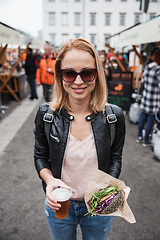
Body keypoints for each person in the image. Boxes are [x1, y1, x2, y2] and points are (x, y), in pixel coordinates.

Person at [34, 38, 126, 240]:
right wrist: (49, 181)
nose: (78, 81)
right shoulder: (46, 115)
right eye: (69, 73)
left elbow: (115, 158)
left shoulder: (114, 116)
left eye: (87, 73)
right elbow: (40, 156)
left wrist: (106, 188)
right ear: (60, 75)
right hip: (59, 204)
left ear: (97, 75)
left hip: (97, 207)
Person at [136, 49, 160, 147]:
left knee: (142, 117)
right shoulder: (158, 69)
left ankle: (139, 137)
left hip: (145, 97)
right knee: (150, 118)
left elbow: (143, 83)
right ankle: (146, 140)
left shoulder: (147, 67)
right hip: (154, 99)